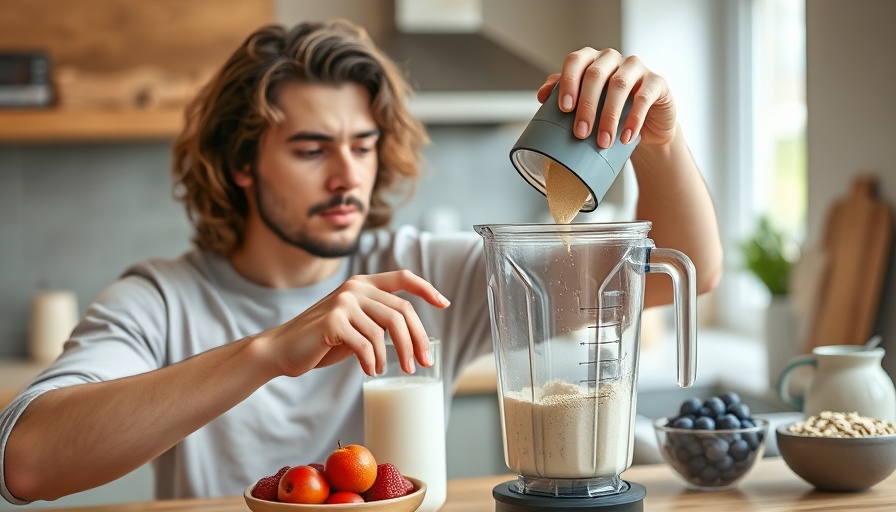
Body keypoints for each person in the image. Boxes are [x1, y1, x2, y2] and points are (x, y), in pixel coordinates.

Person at [0, 19, 722, 504]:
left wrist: (656, 140)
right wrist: (270, 351)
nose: (348, 175)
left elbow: (688, 269)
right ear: (242, 163)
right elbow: (26, 462)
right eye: (311, 149)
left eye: (364, 144)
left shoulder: (428, 274)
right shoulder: (160, 301)